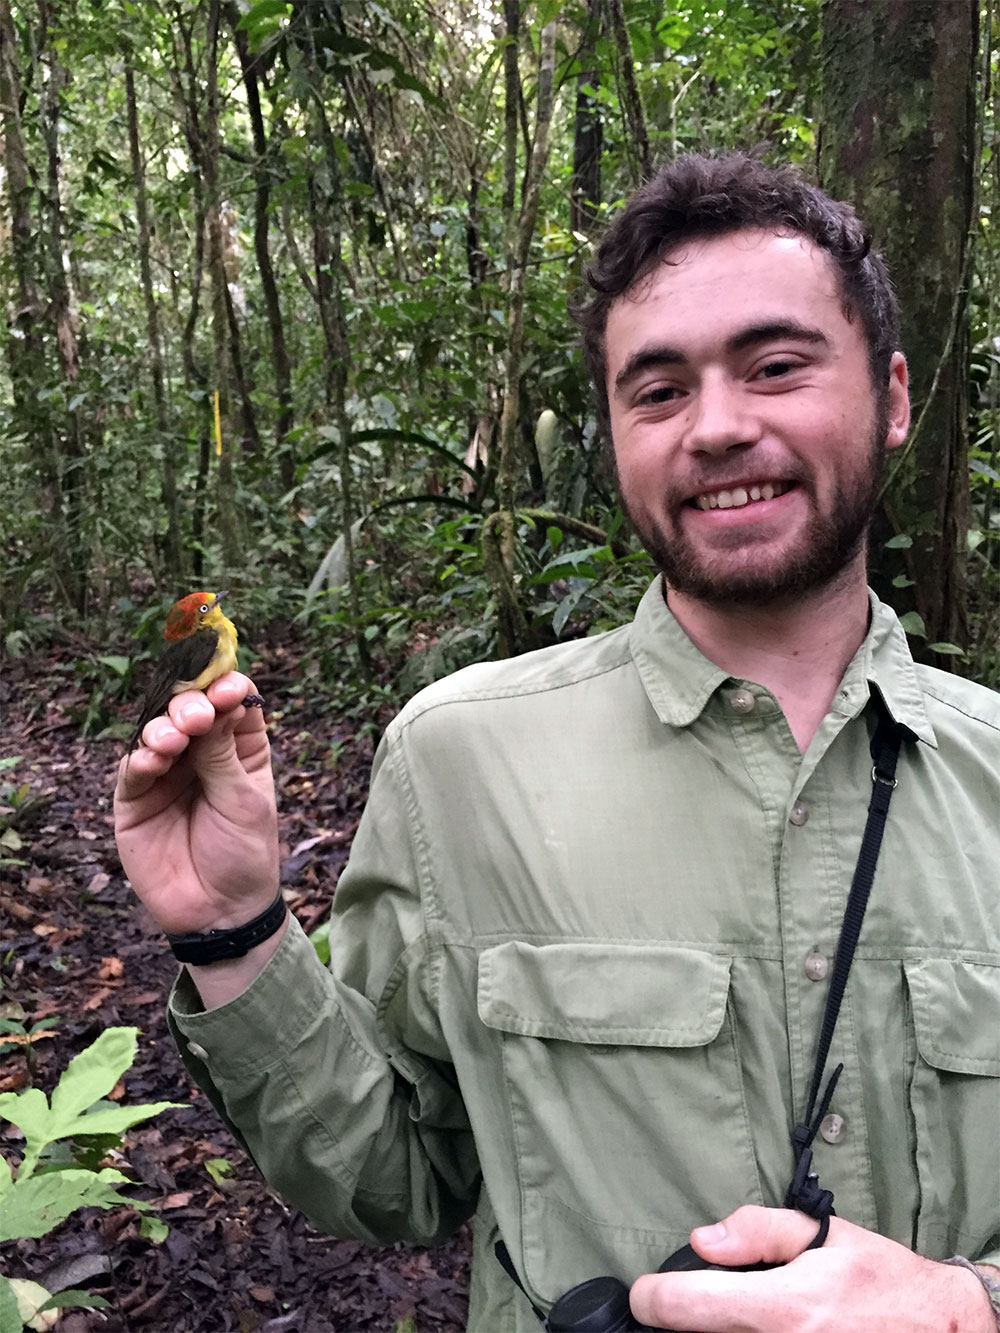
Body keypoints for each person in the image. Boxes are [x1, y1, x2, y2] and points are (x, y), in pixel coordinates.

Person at [114, 153, 1000, 1332]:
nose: (718, 428)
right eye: (658, 391)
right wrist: (234, 933)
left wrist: (967, 1301)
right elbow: (392, 1176)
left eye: (777, 367)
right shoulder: (460, 760)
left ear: (890, 396)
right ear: (615, 435)